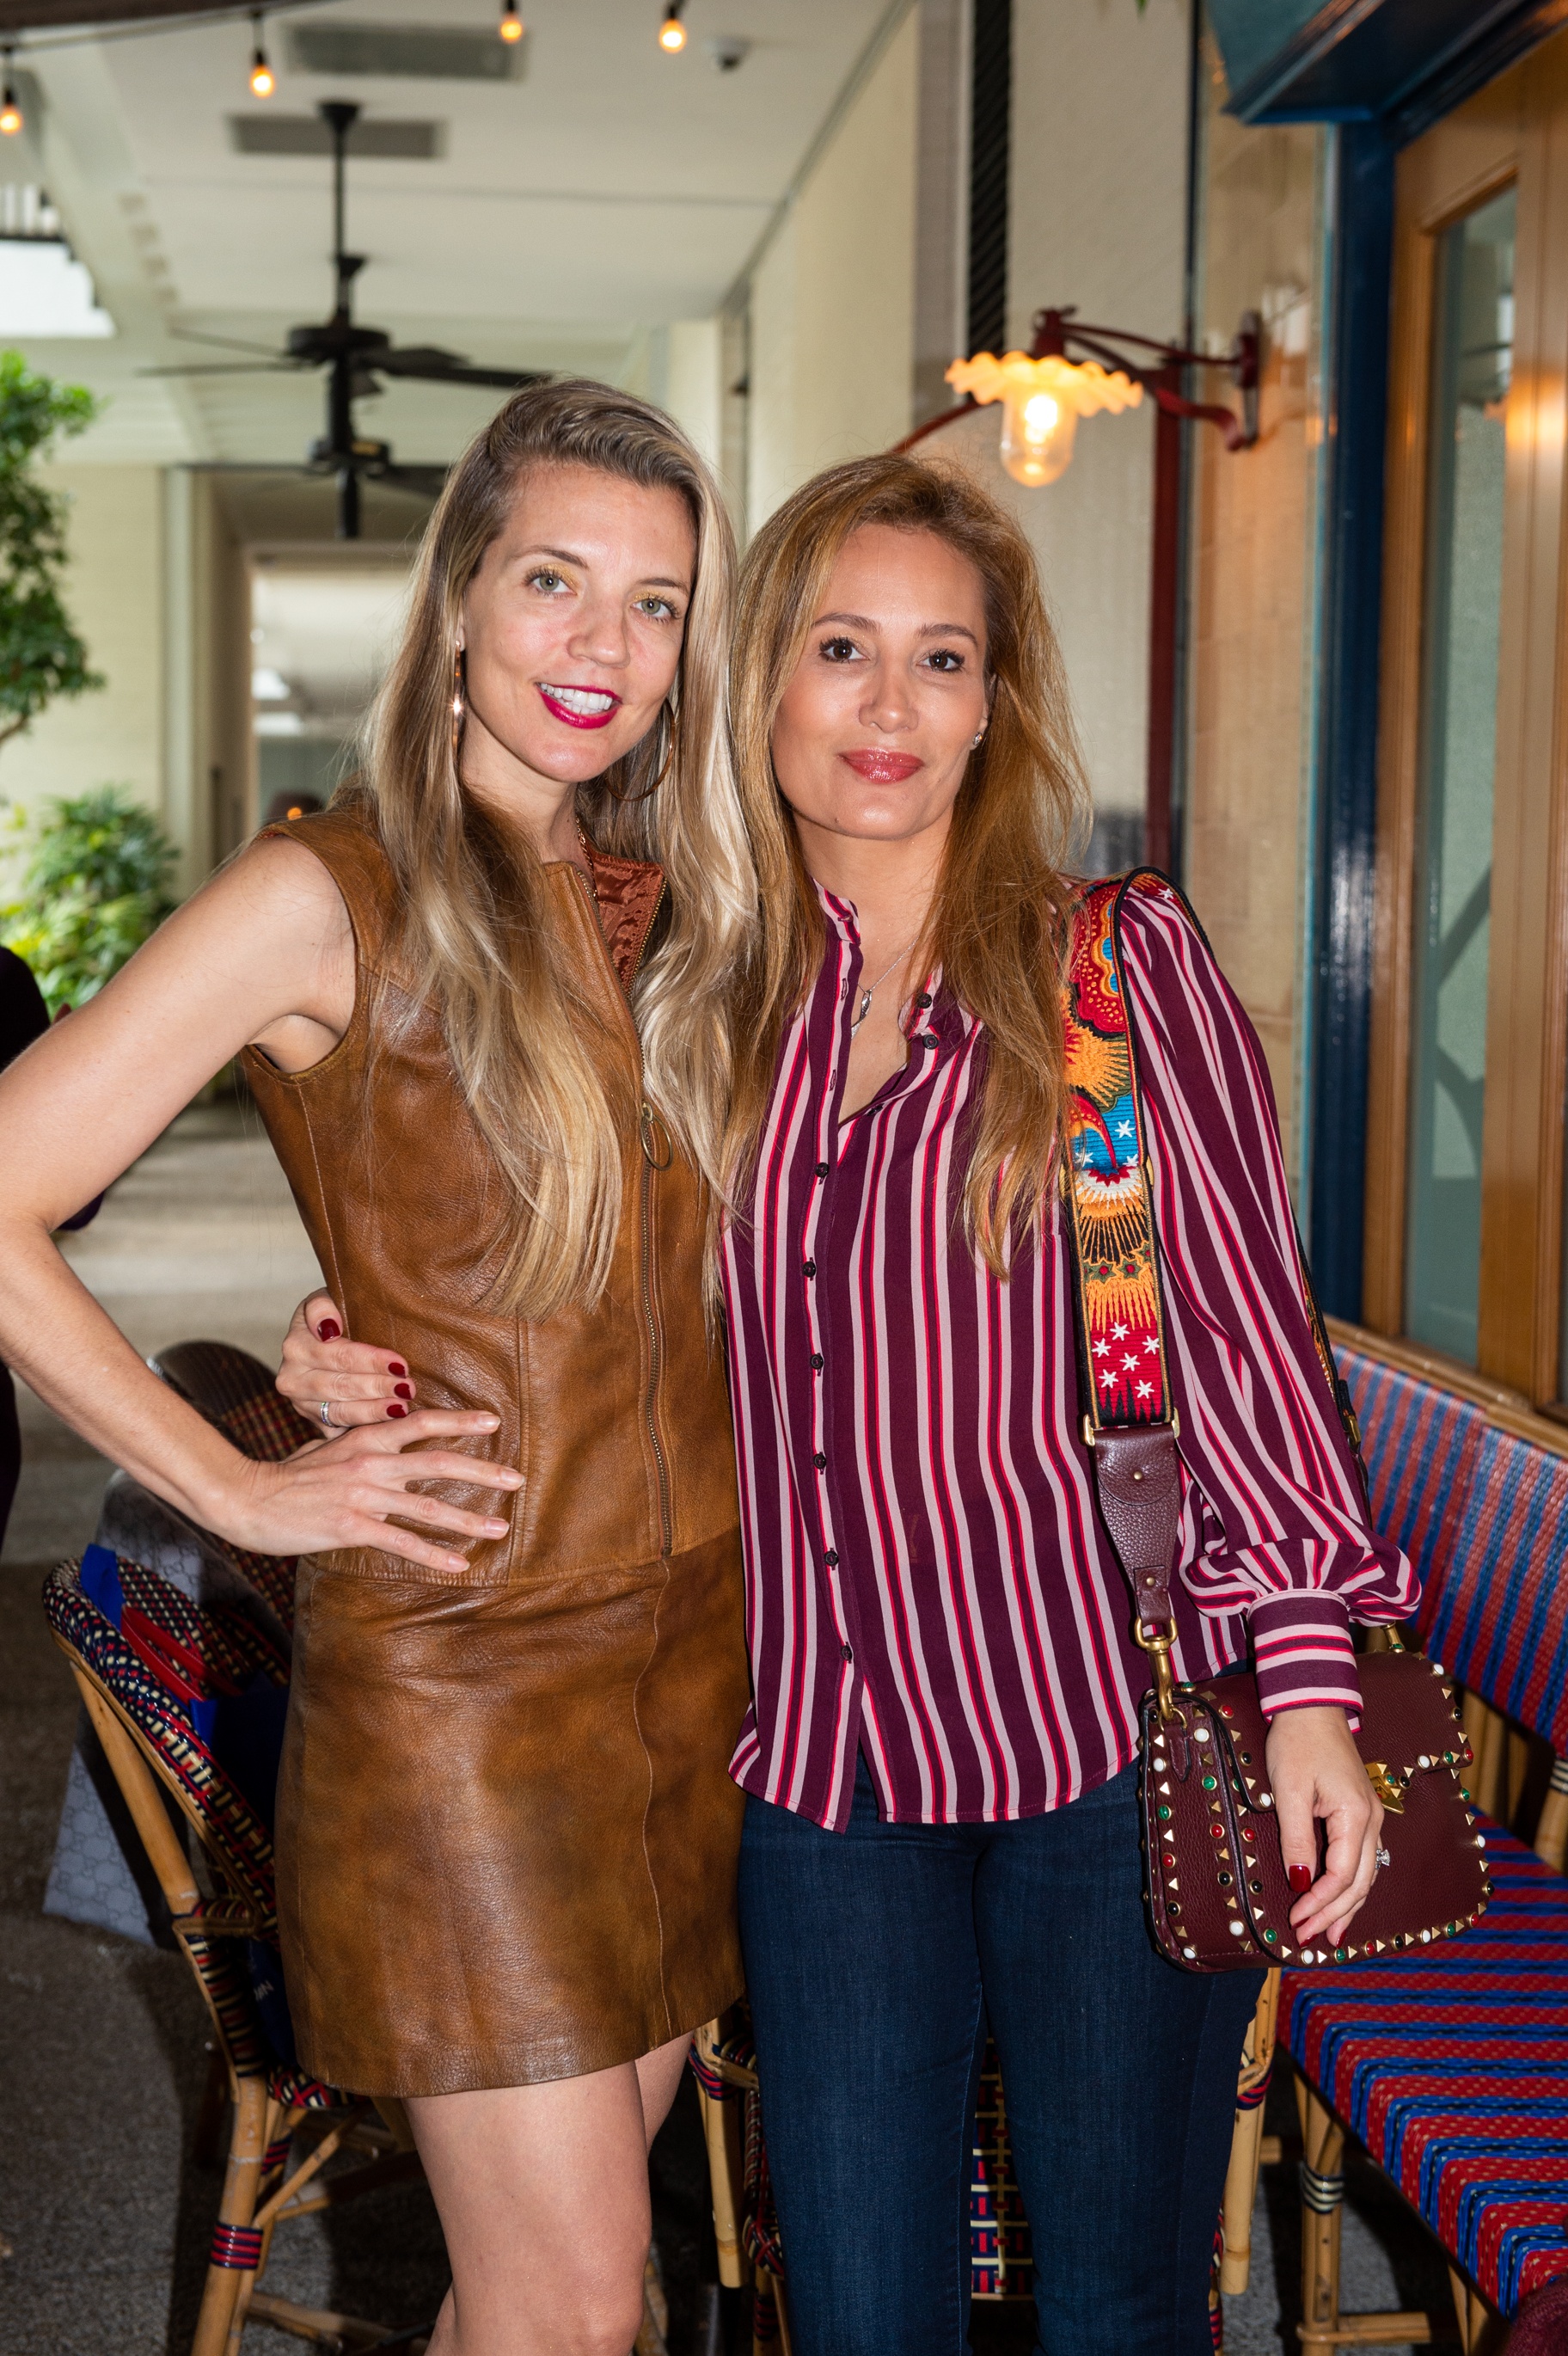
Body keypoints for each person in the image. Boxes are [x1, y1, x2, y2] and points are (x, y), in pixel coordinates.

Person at [289, 454, 1417, 2355]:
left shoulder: (1110, 968)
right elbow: (535, 1246)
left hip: (1097, 1741)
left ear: (997, 697)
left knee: (1124, 2301)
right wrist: (345, 1333)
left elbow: (1248, 1341)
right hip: (817, 1778)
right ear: (762, 682)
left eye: (944, 659)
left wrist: (1310, 1684)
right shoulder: (681, 987)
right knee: (859, 2305)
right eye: (840, 649)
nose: (891, 711)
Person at [0, 381, 754, 2356]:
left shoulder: (663, 911)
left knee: (553, 2304)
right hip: (469, 1701)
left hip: (683, 1673)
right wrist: (240, 1484)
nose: (603, 646)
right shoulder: (323, 892)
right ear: (462, 599)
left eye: (657, 604)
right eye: (556, 582)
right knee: (579, 2298)